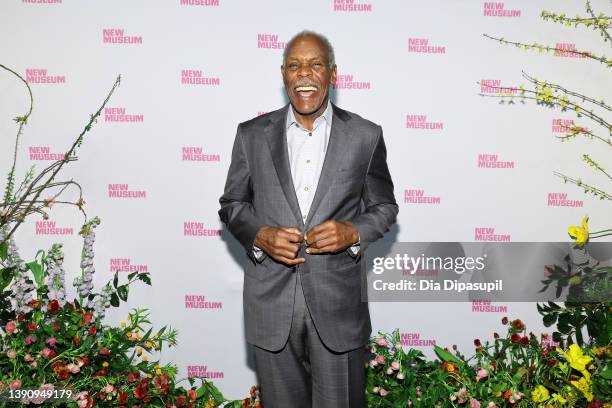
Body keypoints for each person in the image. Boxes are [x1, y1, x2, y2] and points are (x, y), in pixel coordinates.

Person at [218, 30, 398, 408]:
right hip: (271, 307)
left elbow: (384, 208)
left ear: (333, 75)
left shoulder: (365, 136)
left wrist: (352, 232)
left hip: (338, 307)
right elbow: (233, 203)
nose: (305, 74)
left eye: (315, 64)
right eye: (295, 65)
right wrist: (260, 235)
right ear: (283, 74)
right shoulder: (251, 135)